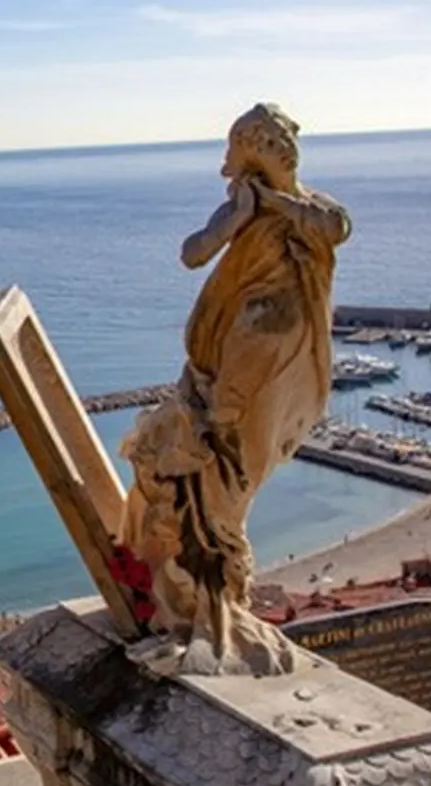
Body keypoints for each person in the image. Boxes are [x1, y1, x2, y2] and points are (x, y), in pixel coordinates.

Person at [119, 104, 351, 675]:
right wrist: (236, 219)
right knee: (197, 466)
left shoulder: (313, 210)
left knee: (231, 473)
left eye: (243, 152)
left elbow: (335, 227)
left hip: (275, 360)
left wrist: (276, 203)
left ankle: (215, 601)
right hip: (227, 351)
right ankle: (198, 598)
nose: (232, 167)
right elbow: (192, 253)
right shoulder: (241, 206)